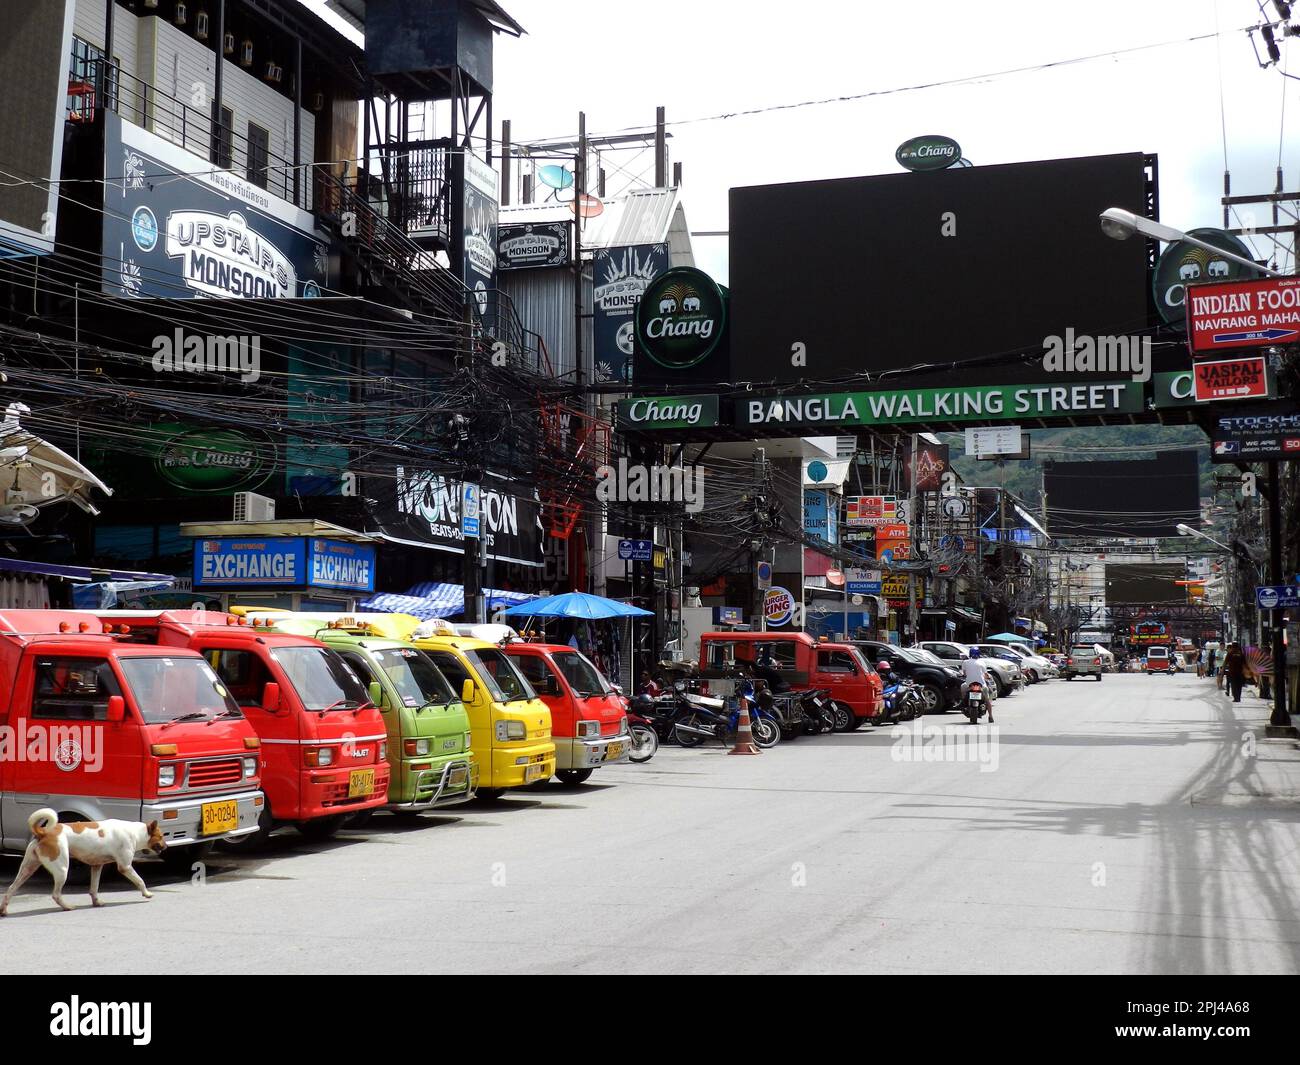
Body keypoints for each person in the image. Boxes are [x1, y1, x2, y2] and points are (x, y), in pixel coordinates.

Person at [960, 647, 994, 723]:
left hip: (969, 685)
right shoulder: (982, 662)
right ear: (979, 654)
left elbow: (964, 674)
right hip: (981, 685)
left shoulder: (965, 662)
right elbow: (985, 674)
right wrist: (987, 677)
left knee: (962, 687)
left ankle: (963, 702)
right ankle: (990, 716)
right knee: (987, 700)